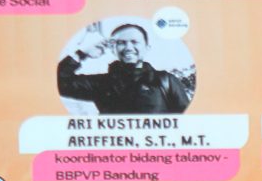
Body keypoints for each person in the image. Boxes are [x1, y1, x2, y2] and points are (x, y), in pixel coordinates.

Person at [57, 23, 191, 114]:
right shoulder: (101, 83)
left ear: (147, 48)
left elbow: (187, 119)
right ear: (113, 49)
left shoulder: (165, 81)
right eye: (121, 43)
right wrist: (82, 54)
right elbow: (58, 83)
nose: (128, 48)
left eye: (134, 42)